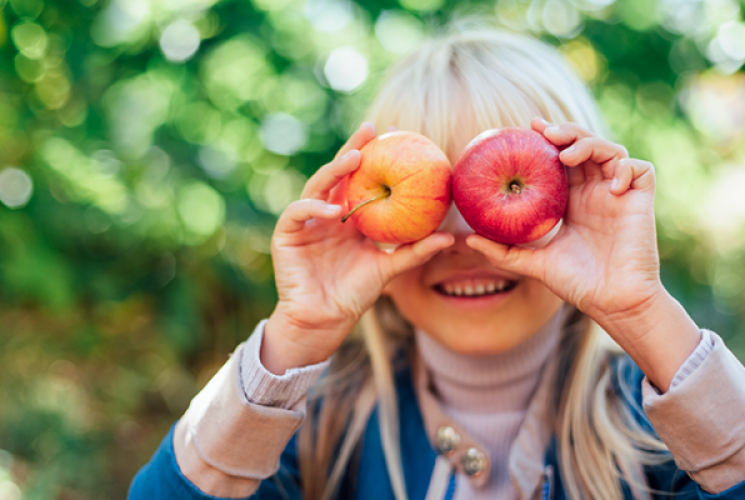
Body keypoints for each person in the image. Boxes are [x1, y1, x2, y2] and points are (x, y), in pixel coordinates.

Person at [129, 29, 745, 500]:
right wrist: (298, 334)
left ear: (578, 202)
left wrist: (641, 310)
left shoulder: (662, 435)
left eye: (482, 203)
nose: (460, 241)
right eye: (432, 202)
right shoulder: (314, 431)